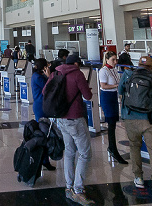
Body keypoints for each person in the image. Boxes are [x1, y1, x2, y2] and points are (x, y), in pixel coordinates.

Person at [44, 53, 94, 206]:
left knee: (70, 151)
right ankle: (78, 190)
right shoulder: (77, 74)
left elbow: (44, 92)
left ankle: (68, 188)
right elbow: (88, 95)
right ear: (77, 64)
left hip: (61, 119)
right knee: (85, 153)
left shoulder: (55, 73)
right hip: (75, 118)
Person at [118, 55, 152, 195]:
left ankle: (138, 178)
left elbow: (120, 91)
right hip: (150, 120)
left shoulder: (128, 75)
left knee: (134, 147)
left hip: (130, 118)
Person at [98, 51, 127, 164]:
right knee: (111, 123)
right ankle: (113, 148)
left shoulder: (114, 70)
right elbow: (103, 85)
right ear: (107, 59)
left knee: (114, 122)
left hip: (114, 96)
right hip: (107, 97)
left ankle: (112, 147)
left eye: (116, 59)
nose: (115, 62)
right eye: (113, 60)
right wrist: (117, 86)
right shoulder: (103, 71)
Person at [31, 58, 55, 171]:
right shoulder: (39, 77)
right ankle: (44, 160)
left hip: (40, 106)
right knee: (44, 134)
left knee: (44, 133)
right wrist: (50, 76)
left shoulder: (36, 75)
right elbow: (49, 88)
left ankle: (44, 160)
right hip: (42, 107)